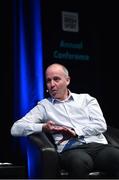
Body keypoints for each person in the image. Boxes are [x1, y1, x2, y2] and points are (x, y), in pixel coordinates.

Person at [11, 63, 119, 178]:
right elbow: (15, 128)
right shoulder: (44, 106)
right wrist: (43, 127)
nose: (52, 84)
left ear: (67, 80)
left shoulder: (86, 99)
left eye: (56, 79)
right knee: (79, 162)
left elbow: (101, 125)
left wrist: (75, 131)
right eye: (48, 81)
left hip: (98, 146)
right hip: (71, 150)